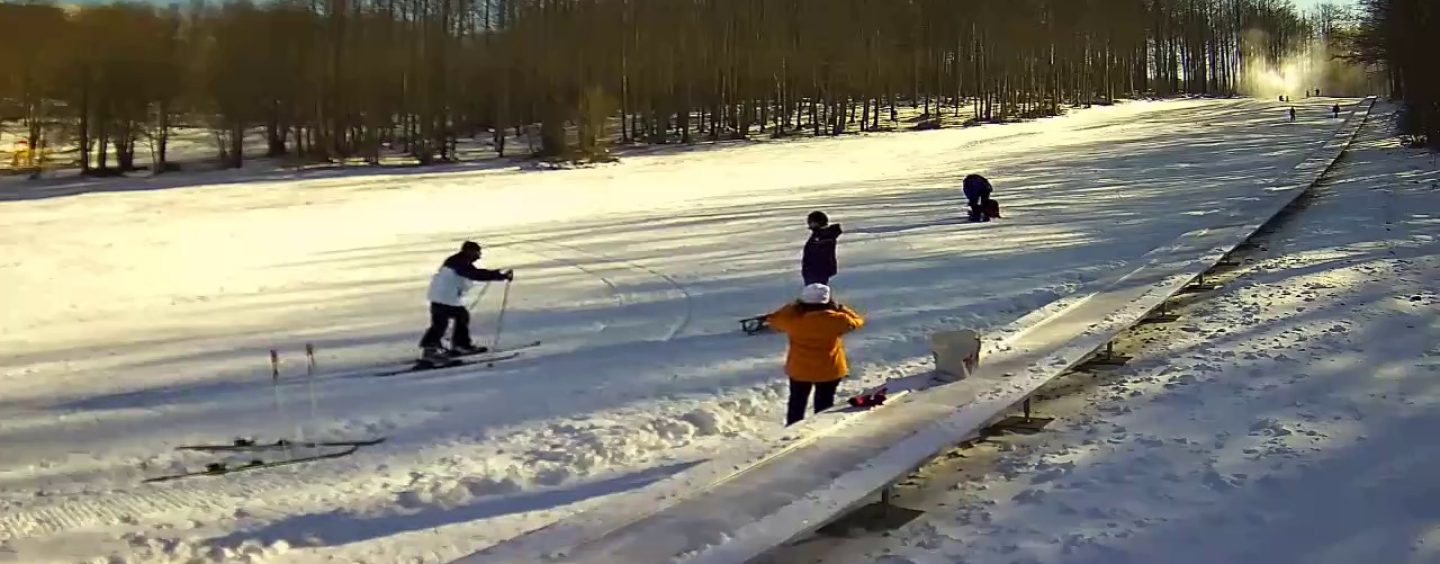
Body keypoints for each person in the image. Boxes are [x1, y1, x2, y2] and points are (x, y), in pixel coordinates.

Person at [764, 283, 865, 426]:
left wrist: (793, 306)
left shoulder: (793, 321)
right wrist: (841, 308)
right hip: (830, 369)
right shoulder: (839, 319)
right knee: (824, 403)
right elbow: (858, 321)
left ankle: (793, 429)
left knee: (797, 403)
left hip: (800, 370)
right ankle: (820, 428)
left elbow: (773, 319)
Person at [419, 241, 513, 363]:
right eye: (477, 252)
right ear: (469, 251)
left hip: (442, 296)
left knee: (457, 317)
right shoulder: (460, 262)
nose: (479, 256)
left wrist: (497, 274)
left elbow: (473, 272)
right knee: (445, 322)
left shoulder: (459, 260)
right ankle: (437, 349)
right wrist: (499, 276)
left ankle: (449, 346)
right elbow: (474, 274)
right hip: (445, 297)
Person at [802, 211, 842, 286]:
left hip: (817, 272)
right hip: (814, 272)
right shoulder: (819, 235)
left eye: (811, 222)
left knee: (817, 294)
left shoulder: (824, 236)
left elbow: (819, 255)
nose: (809, 224)